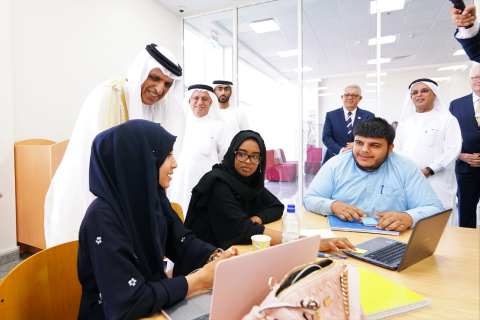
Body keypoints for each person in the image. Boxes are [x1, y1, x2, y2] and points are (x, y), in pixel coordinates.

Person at [77, 120, 237, 320]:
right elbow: (127, 303)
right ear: (140, 160)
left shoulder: (153, 200)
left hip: (154, 308)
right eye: (167, 155)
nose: (175, 163)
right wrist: (200, 279)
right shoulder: (102, 217)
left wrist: (219, 259)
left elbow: (183, 243)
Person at [45, 44, 186, 248]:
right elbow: (93, 163)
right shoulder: (107, 96)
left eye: (167, 84)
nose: (159, 89)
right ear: (141, 71)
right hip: (94, 194)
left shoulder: (161, 105)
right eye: (154, 78)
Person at [185, 130, 355, 252]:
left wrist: (257, 218)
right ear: (232, 153)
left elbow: (276, 206)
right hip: (205, 257)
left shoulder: (249, 182)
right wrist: (308, 242)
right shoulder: (218, 183)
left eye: (254, 157)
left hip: (232, 251)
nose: (248, 161)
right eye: (242, 154)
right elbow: (243, 231)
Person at [304, 117, 444, 231]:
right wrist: (332, 205)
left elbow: (435, 208)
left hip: (390, 240)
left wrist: (408, 217)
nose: (364, 150)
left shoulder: (406, 168)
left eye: (374, 145)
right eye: (359, 143)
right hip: (341, 239)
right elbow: (309, 199)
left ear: (390, 149)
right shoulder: (335, 164)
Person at [394, 79, 462, 210]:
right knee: (412, 217)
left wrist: (429, 170)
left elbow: (452, 150)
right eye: (415, 92)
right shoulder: (405, 121)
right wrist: (409, 171)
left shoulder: (447, 120)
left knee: (440, 219)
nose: (419, 95)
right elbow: (397, 148)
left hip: (437, 180)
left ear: (434, 94)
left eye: (424, 91)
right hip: (409, 179)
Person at [168, 85, 230, 216]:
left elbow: (225, 159)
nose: (200, 102)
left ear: (211, 102)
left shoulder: (219, 127)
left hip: (206, 185)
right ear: (189, 100)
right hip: (179, 183)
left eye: (204, 99)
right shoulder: (179, 124)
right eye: (195, 98)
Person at [449, 65, 480, 228]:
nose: (478, 81)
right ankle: (467, 249)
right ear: (470, 81)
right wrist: (460, 155)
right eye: (475, 77)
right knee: (466, 212)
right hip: (465, 169)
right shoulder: (456, 105)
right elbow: (448, 137)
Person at [322, 84, 375, 164]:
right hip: (334, 157)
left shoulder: (368, 116)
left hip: (359, 159)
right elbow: (326, 137)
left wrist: (358, 144)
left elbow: (372, 137)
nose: (350, 97)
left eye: (354, 95)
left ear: (360, 98)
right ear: (342, 97)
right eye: (347, 95)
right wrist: (341, 150)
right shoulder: (331, 115)